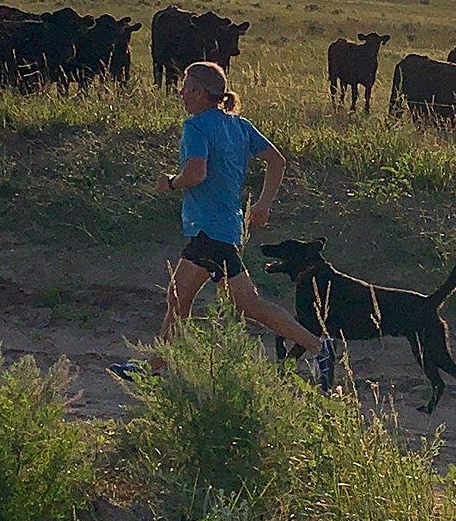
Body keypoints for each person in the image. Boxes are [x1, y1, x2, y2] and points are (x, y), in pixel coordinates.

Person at [114, 60, 340, 388]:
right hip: (225, 229)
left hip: (209, 230)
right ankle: (320, 348)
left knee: (183, 298)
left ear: (201, 92)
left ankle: (151, 368)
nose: (181, 93)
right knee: (242, 305)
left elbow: (196, 174)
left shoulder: (197, 127)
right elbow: (277, 161)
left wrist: (171, 183)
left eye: (186, 87)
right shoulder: (240, 125)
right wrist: (262, 205)